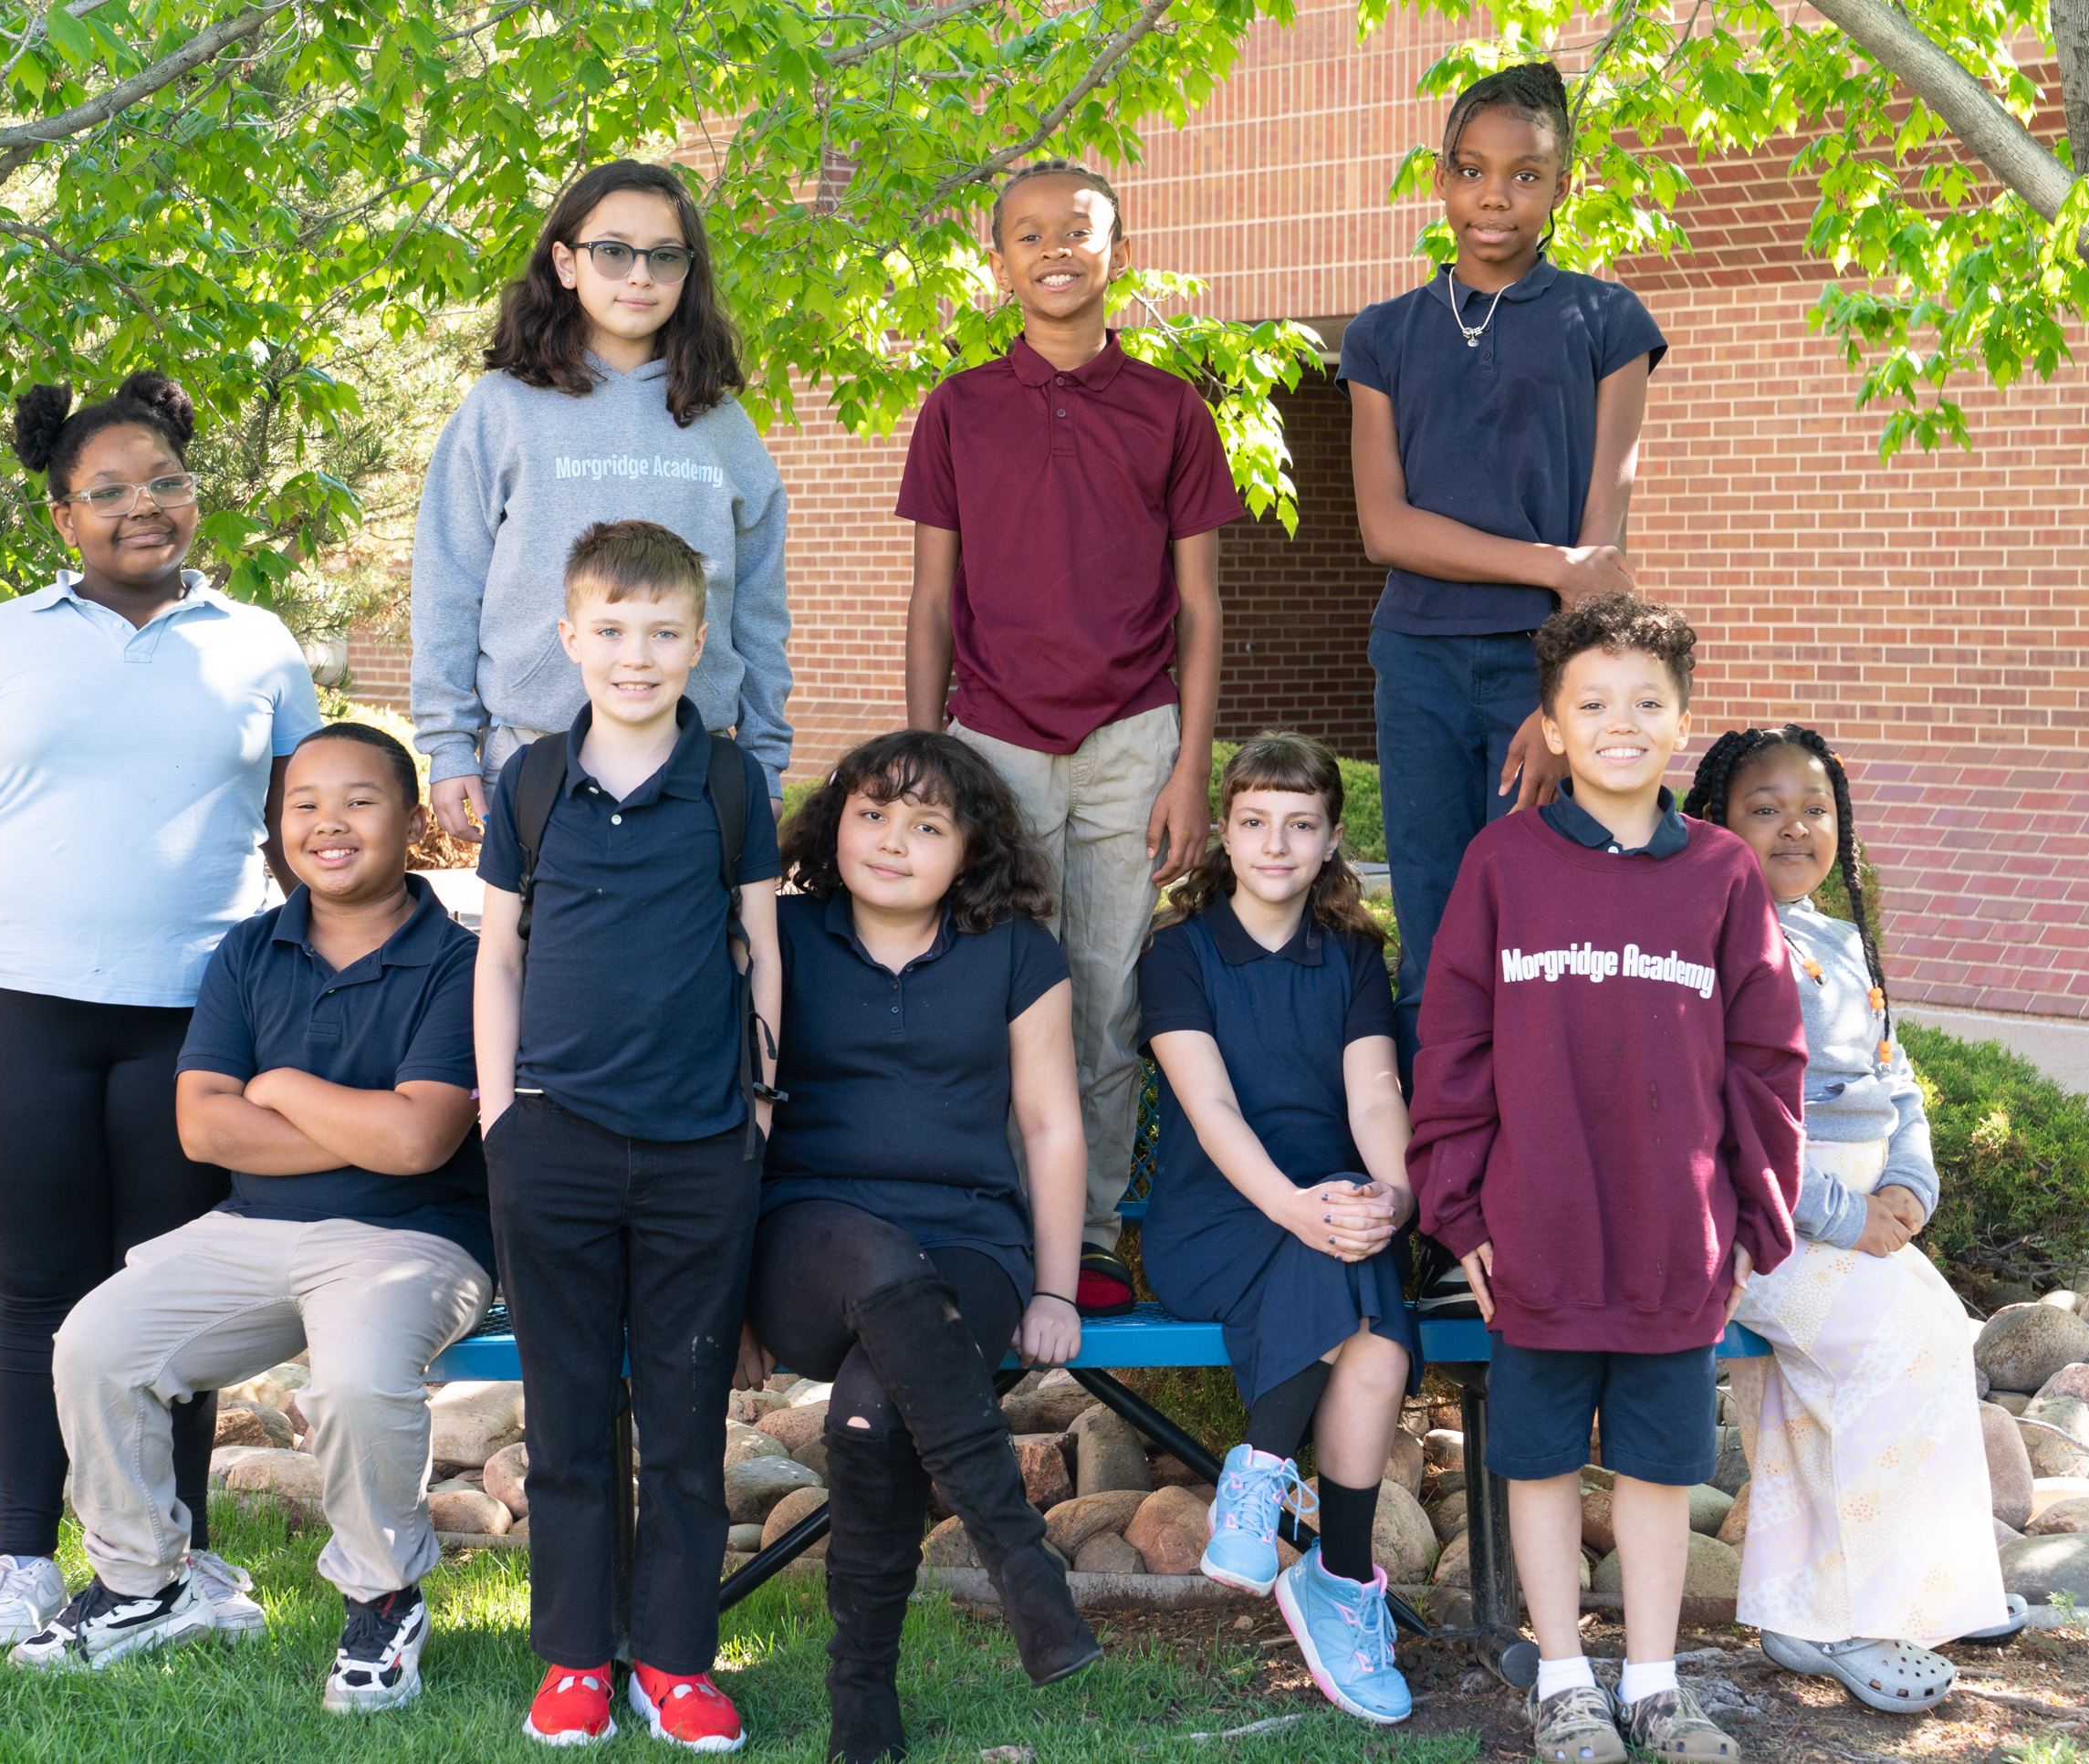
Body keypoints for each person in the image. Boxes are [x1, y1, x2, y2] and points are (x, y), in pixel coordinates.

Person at [0, 372, 322, 1654]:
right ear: (62, 516)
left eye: (167, 482)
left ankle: (171, 1555)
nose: (146, 507)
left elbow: (307, 836)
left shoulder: (261, 644)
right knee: (34, 1292)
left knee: (166, 1295)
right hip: (19, 1013)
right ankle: (22, 1557)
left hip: (198, 1021)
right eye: (111, 491)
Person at [13, 723, 495, 1711]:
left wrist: (278, 1085)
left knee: (356, 1379)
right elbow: (203, 1127)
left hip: (413, 1240)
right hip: (252, 1231)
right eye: (302, 804)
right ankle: (146, 1585)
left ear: (411, 821)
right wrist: (365, 1120)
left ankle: (382, 1597)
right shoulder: (248, 949)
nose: (328, 823)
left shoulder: (461, 961)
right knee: (96, 1342)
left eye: (358, 800)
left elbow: (421, 1147)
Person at [1408, 593, 1805, 1763]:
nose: (1618, 722)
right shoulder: (1501, 864)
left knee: (1652, 1468)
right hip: (1534, 1233)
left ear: (1680, 721)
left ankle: (1651, 1681)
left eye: (1645, 701)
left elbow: (1765, 1057)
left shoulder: (1724, 876)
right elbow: (1452, 1047)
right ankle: (1565, 1683)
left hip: (1672, 1237)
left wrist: (1752, 1219)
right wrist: (1460, 1210)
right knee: (1534, 1459)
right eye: (1591, 702)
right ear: (1550, 721)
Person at [898, 158, 1247, 1313]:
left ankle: (1089, 1232)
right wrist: (923, 769)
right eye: (1029, 234)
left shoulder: (1169, 408)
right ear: (997, 263)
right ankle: (993, 1220)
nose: (1055, 249)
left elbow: (1199, 606)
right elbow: (932, 601)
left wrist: (1191, 767)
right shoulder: (955, 409)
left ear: (1118, 251)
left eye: (1078, 231)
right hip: (989, 740)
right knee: (993, 992)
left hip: (1128, 739)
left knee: (1102, 998)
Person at [472, 519, 782, 1751]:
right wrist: (502, 1114)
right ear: (571, 638)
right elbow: (499, 954)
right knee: (564, 1417)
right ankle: (574, 1661)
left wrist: (760, 1106)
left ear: (699, 641)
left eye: (663, 633)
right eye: (611, 631)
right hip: (552, 1141)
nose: (637, 655)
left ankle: (675, 1660)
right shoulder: (533, 782)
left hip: (702, 1147)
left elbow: (759, 949)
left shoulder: (726, 782)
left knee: (687, 1415)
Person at [736, 730, 1103, 1763]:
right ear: (832, 821)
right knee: (876, 1260)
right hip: (806, 1240)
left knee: (867, 1418)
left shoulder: (1016, 952)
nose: (892, 841)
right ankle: (1021, 1562)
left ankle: (862, 1686)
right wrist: (725, 1302)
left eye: (925, 824)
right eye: (871, 813)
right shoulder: (784, 934)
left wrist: (1054, 1286)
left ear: (969, 846)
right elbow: (732, 1110)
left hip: (968, 1246)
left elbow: (1048, 1126)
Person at [1339, 61, 1666, 1068]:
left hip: (1541, 667)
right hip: (1419, 662)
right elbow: (1386, 530)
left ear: (1560, 187)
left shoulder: (1605, 323)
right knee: (1432, 921)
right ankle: (1438, 1183)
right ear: (1439, 177)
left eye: (1524, 175)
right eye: (1472, 170)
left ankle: (1543, 1170)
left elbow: (1599, 547)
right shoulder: (1383, 335)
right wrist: (1552, 564)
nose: (1494, 196)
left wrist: (1559, 694)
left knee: (1549, 915)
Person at [1685, 725, 2011, 1708]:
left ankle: (1799, 1611)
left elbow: (1892, 1077)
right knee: (1900, 1347)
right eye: (1764, 807)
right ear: (1714, 822)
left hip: (1866, 1206)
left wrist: (1910, 1186)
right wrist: (1840, 1211)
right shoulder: (1712, 939)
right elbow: (1723, 1105)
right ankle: (1879, 1616)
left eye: (1814, 807)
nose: (1794, 825)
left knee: (1878, 1362)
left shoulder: (1836, 933)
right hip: (1770, 1219)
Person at [1135, 732, 1419, 1725]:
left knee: (1375, 1348)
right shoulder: (1179, 952)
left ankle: (1304, 1544)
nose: (1275, 844)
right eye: (1254, 822)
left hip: (1334, 1211)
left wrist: (1395, 1194)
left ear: (1332, 838)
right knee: (1361, 1300)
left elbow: (1375, 1092)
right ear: (1223, 830)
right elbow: (1208, 1110)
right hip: (1215, 1217)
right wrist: (1297, 1204)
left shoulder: (1348, 955)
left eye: (1300, 825)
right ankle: (1324, 1562)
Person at [412, 158, 792, 837]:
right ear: (565, 263)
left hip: (696, 769)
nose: (640, 275)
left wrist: (763, 758)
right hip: (534, 761)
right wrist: (446, 745)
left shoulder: (721, 423)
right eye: (613, 252)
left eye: (665, 256)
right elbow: (448, 582)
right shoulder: (500, 408)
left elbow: (760, 606)